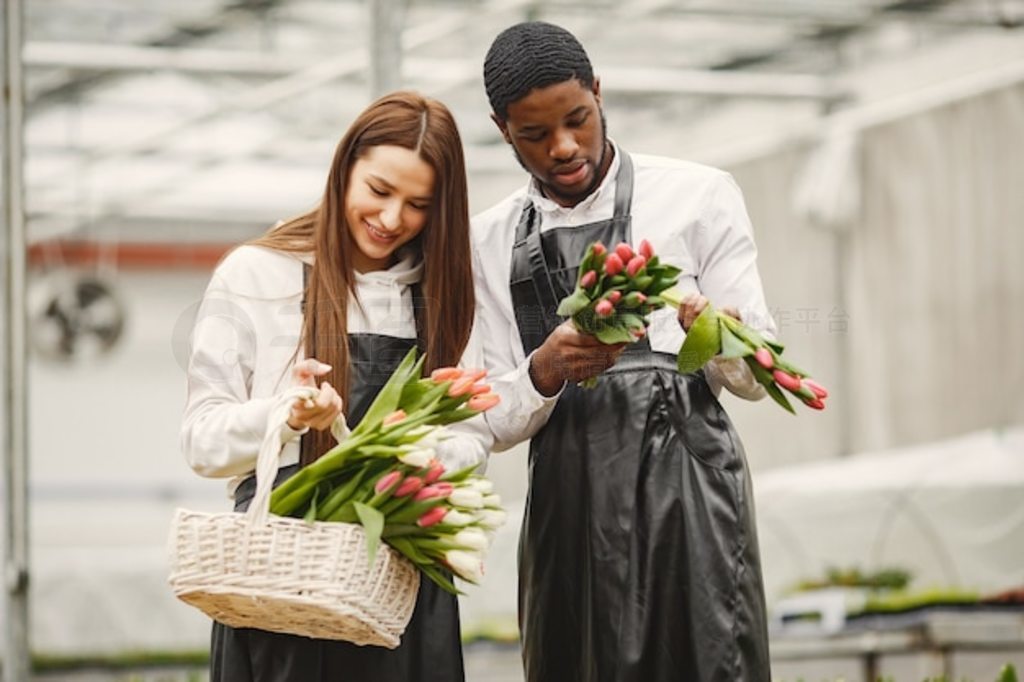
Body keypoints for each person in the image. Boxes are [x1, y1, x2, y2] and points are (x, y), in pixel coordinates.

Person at [472, 21, 775, 682]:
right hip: (569, 505)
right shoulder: (488, 240)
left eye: (578, 119)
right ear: (502, 129)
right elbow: (491, 419)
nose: (564, 147)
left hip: (690, 492)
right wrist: (546, 367)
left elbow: (760, 374)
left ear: (599, 94)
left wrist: (715, 333)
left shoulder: (698, 195)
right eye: (535, 134)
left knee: (708, 660)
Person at [181, 91, 490, 682]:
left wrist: (413, 453)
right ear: (343, 168)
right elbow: (201, 442)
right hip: (281, 578)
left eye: (418, 204)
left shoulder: (443, 292)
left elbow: (473, 438)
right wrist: (286, 415)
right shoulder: (258, 273)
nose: (393, 218)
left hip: (399, 588)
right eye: (378, 191)